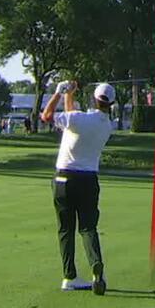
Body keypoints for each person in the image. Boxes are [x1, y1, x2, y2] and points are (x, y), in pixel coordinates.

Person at [42, 80, 116, 295]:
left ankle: (69, 277)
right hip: (89, 180)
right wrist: (69, 94)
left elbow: (47, 116)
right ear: (111, 103)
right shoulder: (106, 125)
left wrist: (58, 92)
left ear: (94, 98)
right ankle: (96, 265)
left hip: (64, 179)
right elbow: (71, 116)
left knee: (66, 229)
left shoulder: (78, 119)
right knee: (88, 228)